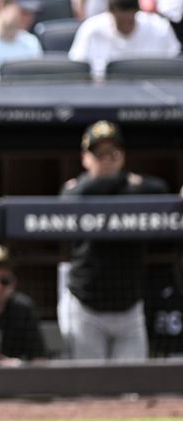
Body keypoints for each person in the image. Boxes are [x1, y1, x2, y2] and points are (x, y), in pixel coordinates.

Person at [58, 120, 169, 360]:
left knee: (133, 387)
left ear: (123, 155)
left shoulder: (140, 188)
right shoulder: (76, 189)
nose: (107, 159)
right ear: (85, 157)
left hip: (129, 306)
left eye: (113, 153)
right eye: (99, 154)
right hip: (86, 305)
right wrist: (122, 182)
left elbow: (161, 189)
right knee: (89, 387)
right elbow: (73, 196)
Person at [68, 0, 181, 80]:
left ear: (137, 11)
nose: (126, 25)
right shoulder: (90, 29)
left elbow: (174, 67)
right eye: (121, 21)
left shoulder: (160, 27)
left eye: (130, 21)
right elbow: (78, 70)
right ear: (110, 12)